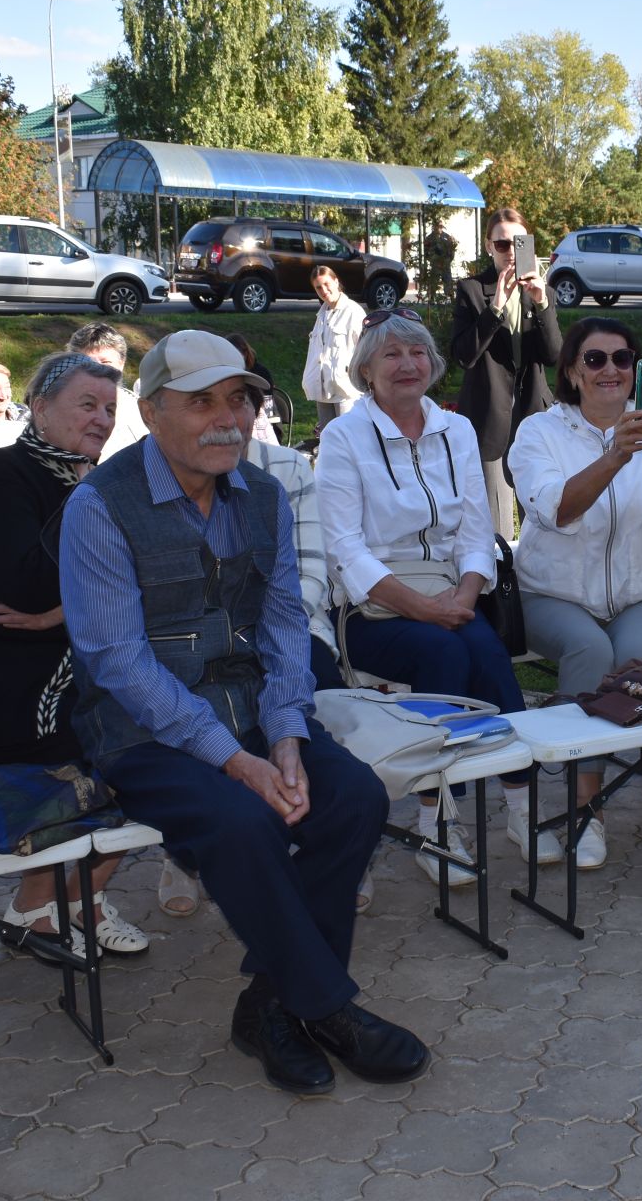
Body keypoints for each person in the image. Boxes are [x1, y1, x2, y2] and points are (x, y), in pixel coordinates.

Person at [60, 328, 426, 1097]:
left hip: (254, 709)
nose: (228, 419)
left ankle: (269, 1006)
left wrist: (287, 734)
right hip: (141, 729)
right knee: (244, 823)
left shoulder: (262, 495)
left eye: (240, 400)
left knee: (353, 798)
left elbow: (287, 622)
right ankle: (331, 1007)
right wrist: (234, 760)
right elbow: (117, 660)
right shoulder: (98, 505)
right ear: (152, 410)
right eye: (202, 402)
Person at [0, 352, 149, 965]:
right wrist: (82, 588)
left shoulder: (91, 481)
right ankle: (55, 903)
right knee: (122, 739)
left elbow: (146, 574)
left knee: (165, 731)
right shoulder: (1, 473)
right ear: (40, 408)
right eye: (87, 405)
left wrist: (71, 608)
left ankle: (56, 900)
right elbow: (28, 586)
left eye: (109, 409)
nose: (101, 419)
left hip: (59, 656)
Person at [315, 308, 554, 878]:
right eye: (391, 355)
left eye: (417, 352)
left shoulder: (457, 429)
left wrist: (466, 596)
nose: (407, 364)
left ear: (433, 363)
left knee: (490, 656)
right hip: (371, 607)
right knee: (444, 653)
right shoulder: (344, 435)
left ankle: (522, 807)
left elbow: (477, 529)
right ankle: (439, 822)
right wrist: (422, 607)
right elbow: (344, 546)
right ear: (366, 369)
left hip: (451, 595)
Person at [509, 317, 642, 863]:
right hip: (553, 595)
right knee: (592, 650)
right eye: (594, 360)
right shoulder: (539, 432)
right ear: (573, 372)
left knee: (640, 658)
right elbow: (555, 508)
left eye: (622, 359)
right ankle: (586, 809)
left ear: (637, 371)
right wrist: (617, 455)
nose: (610, 370)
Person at [452, 206, 560, 535]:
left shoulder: (543, 293)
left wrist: (541, 303)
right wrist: (495, 307)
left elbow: (554, 355)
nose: (510, 252)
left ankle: (536, 585)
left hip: (532, 417)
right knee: (496, 528)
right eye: (501, 244)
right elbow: (464, 356)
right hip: (487, 419)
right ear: (488, 247)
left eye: (518, 243)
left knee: (537, 518)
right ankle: (499, 587)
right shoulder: (471, 290)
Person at [71, 322, 148, 464]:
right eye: (86, 363)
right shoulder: (58, 411)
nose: (97, 371)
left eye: (105, 363)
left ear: (122, 363)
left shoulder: (141, 414)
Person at [303, 263, 366, 427]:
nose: (323, 291)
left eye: (326, 284)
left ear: (336, 282)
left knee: (349, 439)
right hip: (322, 389)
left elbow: (366, 350)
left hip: (346, 390)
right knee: (328, 440)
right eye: (318, 288)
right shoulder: (321, 316)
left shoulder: (353, 311)